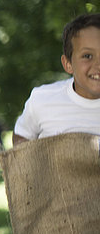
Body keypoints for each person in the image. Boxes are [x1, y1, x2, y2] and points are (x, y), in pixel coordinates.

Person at [13, 13, 100, 146]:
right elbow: (21, 135)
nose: (98, 65)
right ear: (68, 64)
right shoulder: (42, 99)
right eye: (87, 56)